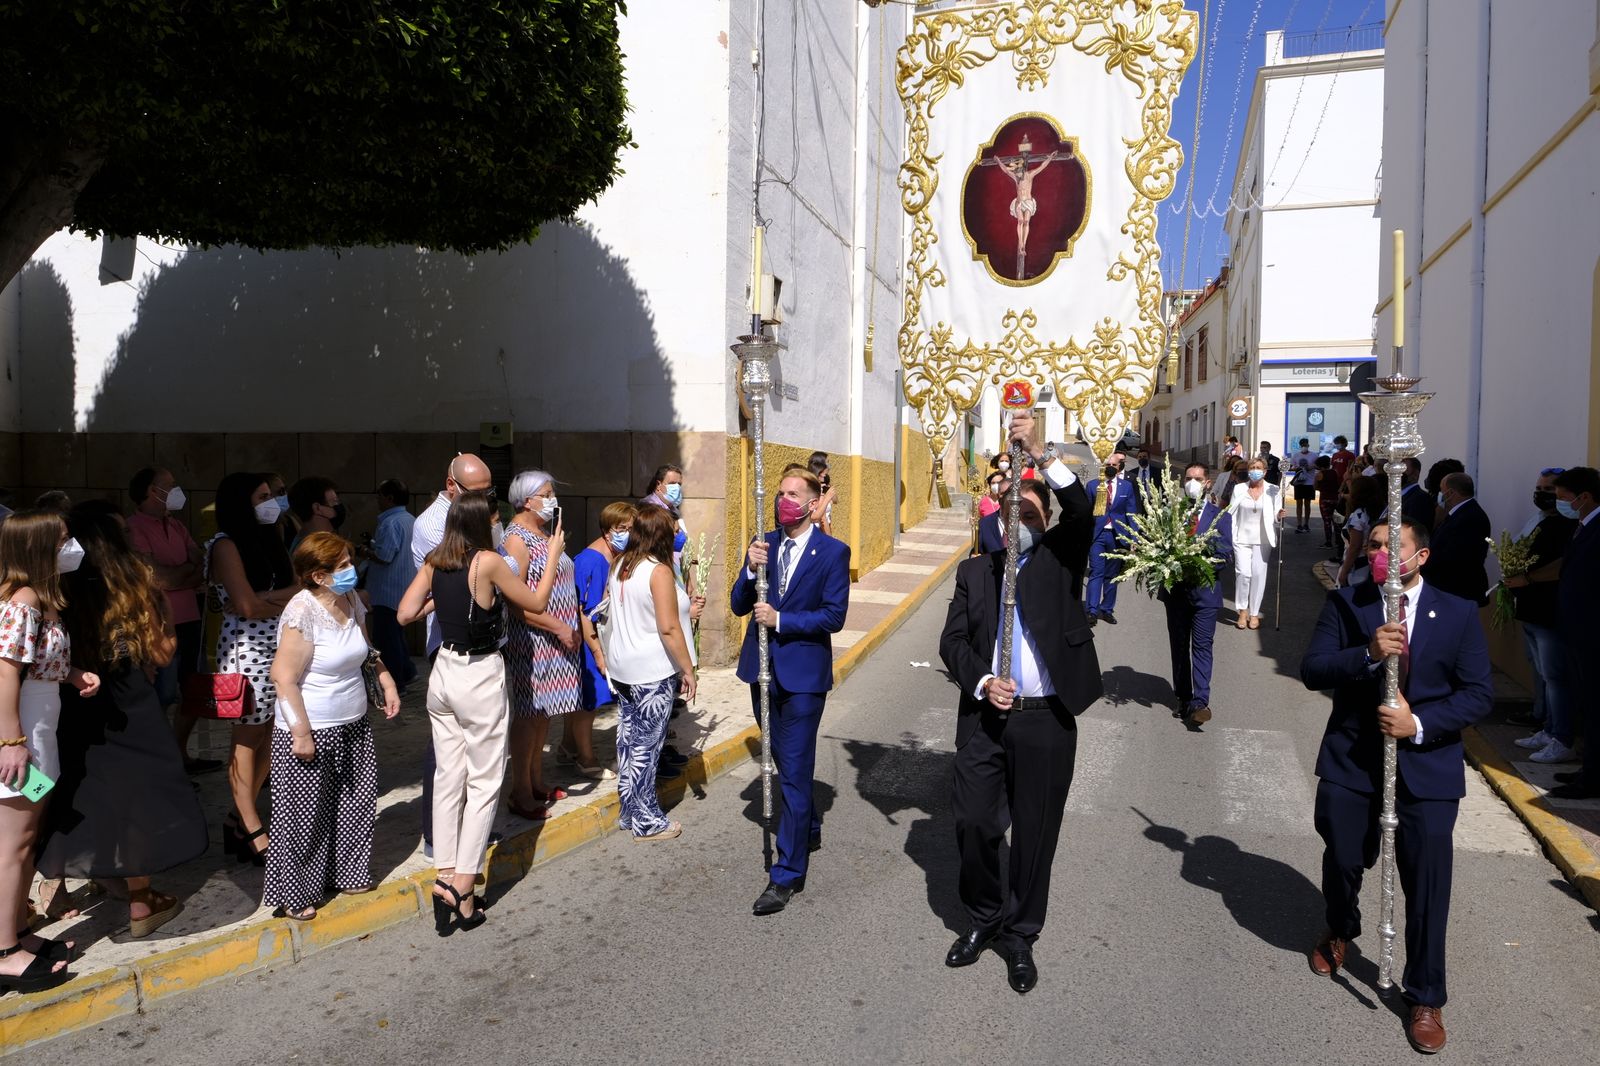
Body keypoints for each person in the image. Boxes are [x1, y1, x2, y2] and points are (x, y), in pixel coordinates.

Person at [1300, 517, 1492, 1055]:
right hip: (1354, 758)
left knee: (1428, 881)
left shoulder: (1455, 612)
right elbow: (1313, 668)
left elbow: (1478, 694)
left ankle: (1426, 993)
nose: (1380, 553)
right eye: (1376, 545)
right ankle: (1341, 926)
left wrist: (1420, 725)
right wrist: (1366, 654)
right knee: (1341, 854)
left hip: (1426, 767)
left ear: (1421, 556)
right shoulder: (1349, 603)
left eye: (1392, 546)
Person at [938, 410, 1102, 995]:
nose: (1017, 520)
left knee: (1035, 835)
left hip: (1045, 721)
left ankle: (1020, 934)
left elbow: (1082, 508)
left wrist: (1040, 453)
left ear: (1045, 519)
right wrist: (983, 681)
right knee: (974, 822)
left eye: (1028, 513)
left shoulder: (1062, 559)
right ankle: (982, 919)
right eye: (1009, 511)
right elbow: (952, 642)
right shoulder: (975, 574)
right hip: (986, 718)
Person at [39, 505, 207, 941]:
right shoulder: (134, 588)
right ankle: (141, 898)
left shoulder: (53, 588)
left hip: (68, 701)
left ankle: (57, 883)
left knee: (77, 789)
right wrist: (161, 608)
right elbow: (163, 653)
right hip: (128, 698)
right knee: (137, 794)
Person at [398, 490, 561, 934]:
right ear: (482, 522)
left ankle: (445, 872)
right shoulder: (486, 562)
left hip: (443, 673)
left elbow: (405, 613)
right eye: (494, 518)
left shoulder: (435, 560)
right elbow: (536, 602)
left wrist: (439, 600)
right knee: (485, 781)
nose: (497, 524)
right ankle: (464, 884)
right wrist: (552, 558)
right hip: (478, 672)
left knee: (449, 777)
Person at [731, 468, 850, 916]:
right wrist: (747, 568)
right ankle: (809, 822)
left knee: (796, 773)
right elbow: (739, 604)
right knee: (782, 761)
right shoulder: (765, 542)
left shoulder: (833, 553)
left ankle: (786, 875)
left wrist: (781, 620)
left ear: (814, 503)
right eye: (780, 492)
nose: (784, 500)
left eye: (793, 494)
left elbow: (833, 616)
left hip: (802, 679)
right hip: (762, 673)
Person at [264, 533, 401, 921]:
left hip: (353, 720)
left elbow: (366, 649)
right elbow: (283, 678)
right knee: (305, 814)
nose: (350, 570)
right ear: (319, 575)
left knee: (355, 802)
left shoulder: (350, 599)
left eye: (349, 561)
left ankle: (347, 873)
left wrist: (386, 678)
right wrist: (300, 733)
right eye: (341, 566)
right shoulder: (302, 611)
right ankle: (297, 892)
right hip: (314, 725)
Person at [0, 511, 99, 993]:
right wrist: (12, 742)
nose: (71, 546)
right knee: (14, 844)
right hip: (23, 737)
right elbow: (5, 675)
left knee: (25, 837)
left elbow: (37, 665)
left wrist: (74, 673)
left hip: (39, 730)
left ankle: (17, 932)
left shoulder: (40, 601)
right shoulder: (22, 602)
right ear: (39, 548)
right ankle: (4, 952)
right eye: (62, 540)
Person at [207, 473, 298, 866]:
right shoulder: (225, 545)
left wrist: (265, 598)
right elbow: (245, 607)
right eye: (262, 496)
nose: (271, 502)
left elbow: (300, 590)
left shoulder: (272, 538)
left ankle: (238, 819)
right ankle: (252, 825)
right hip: (244, 651)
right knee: (247, 737)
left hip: (279, 645)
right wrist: (265, 600)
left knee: (269, 735)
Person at [409, 453, 495, 856]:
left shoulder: (474, 521)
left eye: (488, 493)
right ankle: (438, 837)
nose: (484, 501)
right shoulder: (432, 526)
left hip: (479, 641)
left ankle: (462, 834)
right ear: (451, 487)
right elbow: (461, 574)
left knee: (471, 752)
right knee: (449, 756)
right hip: (451, 644)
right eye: (476, 494)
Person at [603, 504, 699, 841]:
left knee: (629, 741)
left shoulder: (620, 565)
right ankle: (647, 821)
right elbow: (669, 628)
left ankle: (629, 811)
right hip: (650, 670)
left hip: (623, 666)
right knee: (648, 747)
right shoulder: (657, 571)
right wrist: (688, 669)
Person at [499, 470, 582, 819]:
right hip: (534, 639)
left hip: (557, 638)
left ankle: (535, 781)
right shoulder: (516, 538)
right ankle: (519, 791)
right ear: (526, 500)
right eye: (546, 494)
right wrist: (558, 626)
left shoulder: (544, 533)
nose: (552, 499)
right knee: (529, 715)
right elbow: (516, 600)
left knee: (543, 714)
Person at [126, 466, 219, 774]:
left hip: (191, 617)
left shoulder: (177, 526)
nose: (178, 490)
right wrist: (187, 574)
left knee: (192, 690)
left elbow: (202, 564)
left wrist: (182, 574)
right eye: (171, 485)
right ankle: (157, 760)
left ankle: (180, 754)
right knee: (163, 694)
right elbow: (156, 578)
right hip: (159, 621)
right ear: (153, 491)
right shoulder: (134, 528)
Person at [1503, 468, 1578, 764]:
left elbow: (1562, 565)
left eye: (1550, 489)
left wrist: (1528, 579)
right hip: (1532, 611)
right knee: (1542, 673)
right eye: (1541, 488)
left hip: (1550, 611)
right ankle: (1547, 726)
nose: (1544, 494)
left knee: (1556, 676)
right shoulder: (1541, 521)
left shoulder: (1567, 526)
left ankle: (1562, 736)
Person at [568, 503, 638, 779]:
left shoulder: (614, 556)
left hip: (600, 637)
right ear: (607, 532)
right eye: (623, 529)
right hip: (589, 640)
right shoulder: (592, 561)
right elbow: (586, 612)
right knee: (589, 702)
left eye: (632, 529)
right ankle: (586, 758)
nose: (628, 535)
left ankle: (568, 747)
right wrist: (597, 651)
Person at [1159, 463, 1232, 727]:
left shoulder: (1219, 516)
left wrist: (1200, 562)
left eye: (1197, 479)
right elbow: (1159, 545)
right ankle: (1183, 697)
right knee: (1178, 646)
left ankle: (1200, 702)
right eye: (1188, 478)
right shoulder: (1171, 512)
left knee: (1202, 646)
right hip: (1177, 593)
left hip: (1205, 594)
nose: (1192, 483)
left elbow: (1225, 554)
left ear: (1208, 483)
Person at [1547, 467, 1600, 800]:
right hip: (1578, 633)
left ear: (1584, 497)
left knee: (1596, 707)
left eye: (1563, 496)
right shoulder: (1583, 526)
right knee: (1587, 704)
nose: (1560, 502)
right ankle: (1589, 769)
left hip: (1593, 635)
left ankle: (1593, 779)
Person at [364, 479, 417, 694]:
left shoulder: (390, 523)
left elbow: (384, 555)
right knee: (395, 634)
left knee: (386, 638)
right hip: (404, 587)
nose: (377, 500)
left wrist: (366, 552)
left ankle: (397, 681)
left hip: (387, 590)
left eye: (380, 496)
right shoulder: (410, 520)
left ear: (389, 498)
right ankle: (407, 671)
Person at [1226, 457, 1284, 630]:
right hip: (1241, 537)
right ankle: (1242, 610)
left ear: (1265, 471)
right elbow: (1232, 513)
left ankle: (1254, 613)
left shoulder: (1273, 490)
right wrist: (1230, 536)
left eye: (1258, 467)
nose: (1255, 470)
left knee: (1259, 575)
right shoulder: (1239, 488)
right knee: (1243, 573)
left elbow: (1275, 516)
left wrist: (1279, 516)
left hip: (1263, 539)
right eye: (1252, 467)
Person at [1420, 473, 1491, 605]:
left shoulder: (1470, 517)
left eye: (1441, 490)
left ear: (1451, 493)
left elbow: (1454, 556)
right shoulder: (1458, 514)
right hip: (1448, 589)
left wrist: (1420, 563)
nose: (1440, 495)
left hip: (1458, 591)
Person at [1083, 459, 1136, 624]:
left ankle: (1106, 609)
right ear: (1102, 466)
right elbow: (1086, 512)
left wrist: (1134, 537)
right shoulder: (1093, 485)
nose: (1111, 467)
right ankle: (1092, 611)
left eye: (1114, 465)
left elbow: (1131, 513)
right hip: (1097, 535)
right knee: (1096, 572)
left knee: (1112, 575)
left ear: (1119, 467)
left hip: (1117, 535)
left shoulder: (1126, 487)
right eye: (1108, 464)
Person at [1335, 475, 1386, 589]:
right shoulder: (1382, 512)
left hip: (1357, 566)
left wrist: (1344, 572)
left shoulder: (1358, 515)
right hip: (1376, 564)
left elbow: (1354, 547)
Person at [287, 476, 342, 552]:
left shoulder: (310, 539)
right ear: (317, 508)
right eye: (334, 502)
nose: (338, 506)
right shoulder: (313, 551)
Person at [1397, 458, 1436, 533]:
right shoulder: (1396, 495)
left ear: (1415, 474)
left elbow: (1414, 531)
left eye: (1403, 470)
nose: (1398, 474)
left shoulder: (1420, 498)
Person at [1289, 438, 1317, 533]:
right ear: (1300, 446)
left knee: (1307, 504)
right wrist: (1296, 468)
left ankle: (1306, 524)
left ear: (1308, 445)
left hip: (1309, 482)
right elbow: (1291, 467)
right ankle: (1299, 524)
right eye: (1302, 445)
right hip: (1299, 482)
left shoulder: (1314, 455)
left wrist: (1311, 467)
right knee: (1299, 503)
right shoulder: (1296, 455)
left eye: (1305, 445)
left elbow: (1318, 466)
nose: (1304, 447)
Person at [1313, 455, 1339, 548]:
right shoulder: (1334, 472)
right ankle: (1338, 541)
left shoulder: (1319, 474)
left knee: (1327, 521)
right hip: (1335, 498)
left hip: (1325, 499)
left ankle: (1328, 542)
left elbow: (1315, 487)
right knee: (1336, 521)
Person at [808, 452, 836, 537]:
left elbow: (835, 500)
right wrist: (831, 542)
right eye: (827, 463)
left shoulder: (817, 485)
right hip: (813, 535)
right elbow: (820, 518)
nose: (829, 467)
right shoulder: (811, 486)